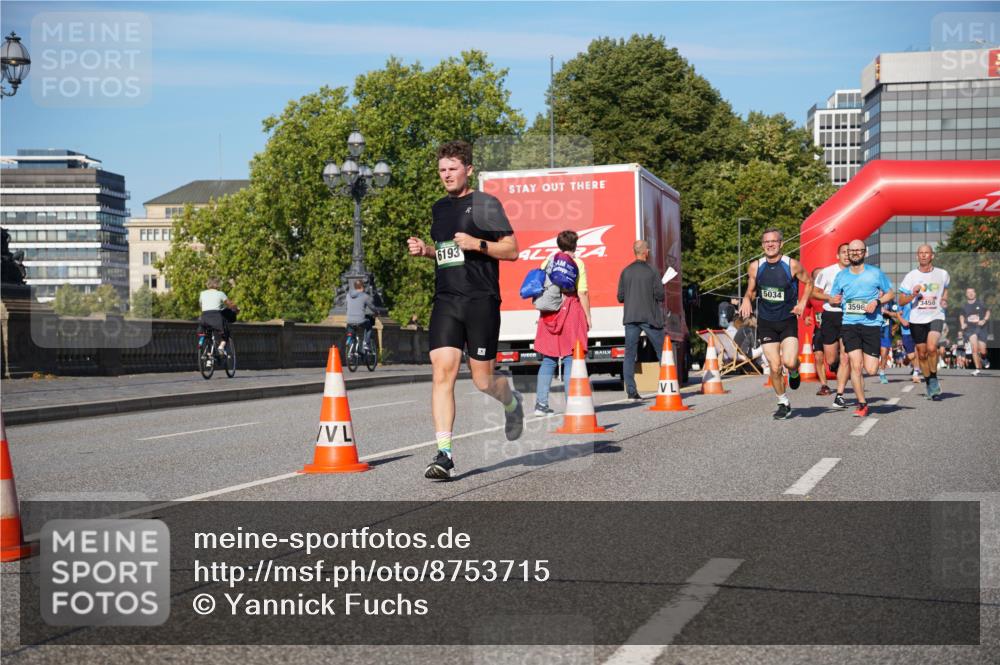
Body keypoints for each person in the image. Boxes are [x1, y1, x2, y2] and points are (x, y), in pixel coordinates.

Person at [406, 140, 522, 481]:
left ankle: (511, 403)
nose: (446, 175)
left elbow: (513, 250)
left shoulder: (487, 204)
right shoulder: (439, 208)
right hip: (446, 299)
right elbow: (447, 252)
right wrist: (426, 250)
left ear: (468, 170)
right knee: (442, 372)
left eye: (452, 169)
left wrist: (478, 244)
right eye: (442, 170)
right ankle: (444, 453)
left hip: (481, 300)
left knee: (483, 380)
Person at [739, 228, 812, 420]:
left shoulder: (792, 265)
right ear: (762, 245)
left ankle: (795, 370)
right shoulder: (755, 266)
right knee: (775, 366)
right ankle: (783, 402)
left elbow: (809, 282)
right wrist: (746, 299)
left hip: (787, 320)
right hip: (766, 322)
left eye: (774, 241)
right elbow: (751, 290)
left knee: (788, 362)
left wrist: (802, 303)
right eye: (766, 242)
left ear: (781, 243)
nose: (770, 245)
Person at [828, 239, 894, 417]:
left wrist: (877, 302)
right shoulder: (841, 276)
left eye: (859, 250)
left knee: (871, 369)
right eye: (852, 250)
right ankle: (862, 403)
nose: (855, 253)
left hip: (871, 324)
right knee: (855, 366)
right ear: (848, 253)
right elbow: (834, 298)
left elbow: (890, 292)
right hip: (849, 324)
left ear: (865, 253)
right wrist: (832, 300)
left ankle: (863, 394)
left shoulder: (875, 273)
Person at [533, 231, 591, 416]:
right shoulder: (578, 263)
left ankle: (541, 405)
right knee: (570, 358)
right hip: (571, 310)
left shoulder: (548, 260)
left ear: (559, 244)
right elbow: (582, 292)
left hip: (550, 312)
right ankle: (571, 405)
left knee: (549, 359)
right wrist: (588, 316)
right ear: (575, 245)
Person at [897, 244, 950, 400]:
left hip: (936, 315)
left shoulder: (943, 274)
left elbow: (945, 288)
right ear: (917, 256)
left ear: (932, 255)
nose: (924, 255)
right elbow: (900, 301)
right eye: (921, 253)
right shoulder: (911, 276)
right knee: (922, 354)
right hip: (916, 318)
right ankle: (929, 381)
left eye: (927, 253)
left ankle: (933, 377)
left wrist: (945, 299)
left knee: (932, 347)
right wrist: (913, 295)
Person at [617, 239, 666, 400]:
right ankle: (667, 386)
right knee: (663, 351)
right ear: (645, 252)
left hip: (630, 317)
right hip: (649, 317)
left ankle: (631, 391)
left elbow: (620, 297)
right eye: (648, 250)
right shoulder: (652, 271)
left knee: (630, 354)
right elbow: (660, 295)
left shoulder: (625, 272)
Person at [810, 243, 851, 401]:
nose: (847, 255)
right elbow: (814, 292)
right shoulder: (827, 272)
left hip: (849, 316)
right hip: (831, 316)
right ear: (837, 255)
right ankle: (837, 364)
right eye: (843, 252)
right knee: (831, 359)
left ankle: (839, 393)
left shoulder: (858, 272)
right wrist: (829, 298)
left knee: (846, 356)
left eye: (849, 252)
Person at [199, 277, 237, 355]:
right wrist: (236, 309)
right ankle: (221, 347)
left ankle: (208, 355)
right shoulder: (220, 293)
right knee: (226, 332)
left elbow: (201, 305)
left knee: (207, 335)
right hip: (216, 317)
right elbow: (229, 305)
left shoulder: (202, 293)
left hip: (204, 317)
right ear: (217, 285)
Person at [960, 287, 990, 376]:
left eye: (972, 292)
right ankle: (977, 369)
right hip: (970, 329)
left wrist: (984, 320)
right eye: (968, 292)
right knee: (974, 348)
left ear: (975, 293)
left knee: (983, 350)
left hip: (982, 328)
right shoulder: (964, 306)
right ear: (966, 294)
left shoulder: (980, 303)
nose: (970, 294)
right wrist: (962, 324)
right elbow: (961, 315)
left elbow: (988, 311)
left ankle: (984, 358)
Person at [346, 280, 378, 352]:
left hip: (349, 320)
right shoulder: (365, 296)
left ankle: (349, 340)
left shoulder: (348, 295)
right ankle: (366, 343)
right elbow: (372, 307)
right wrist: (377, 312)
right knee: (369, 326)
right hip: (360, 320)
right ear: (362, 287)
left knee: (351, 327)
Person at [878, 301, 898, 384]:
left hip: (885, 330)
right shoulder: (870, 297)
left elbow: (897, 315)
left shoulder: (891, 303)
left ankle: (882, 373)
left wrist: (886, 312)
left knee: (884, 352)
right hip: (872, 329)